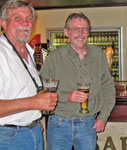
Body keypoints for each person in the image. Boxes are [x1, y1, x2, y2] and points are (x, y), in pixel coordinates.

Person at [40, 13, 115, 150]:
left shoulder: (98, 55)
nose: (81, 33)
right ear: (66, 32)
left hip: (88, 124)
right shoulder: (55, 57)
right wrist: (65, 97)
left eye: (84, 29)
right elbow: (42, 90)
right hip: (59, 124)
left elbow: (108, 88)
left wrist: (103, 117)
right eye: (76, 29)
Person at [0, 0, 58, 150]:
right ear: (3, 23)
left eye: (29, 18)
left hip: (33, 131)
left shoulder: (28, 52)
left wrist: (33, 118)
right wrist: (34, 103)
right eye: (17, 18)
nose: (25, 23)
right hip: (8, 137)